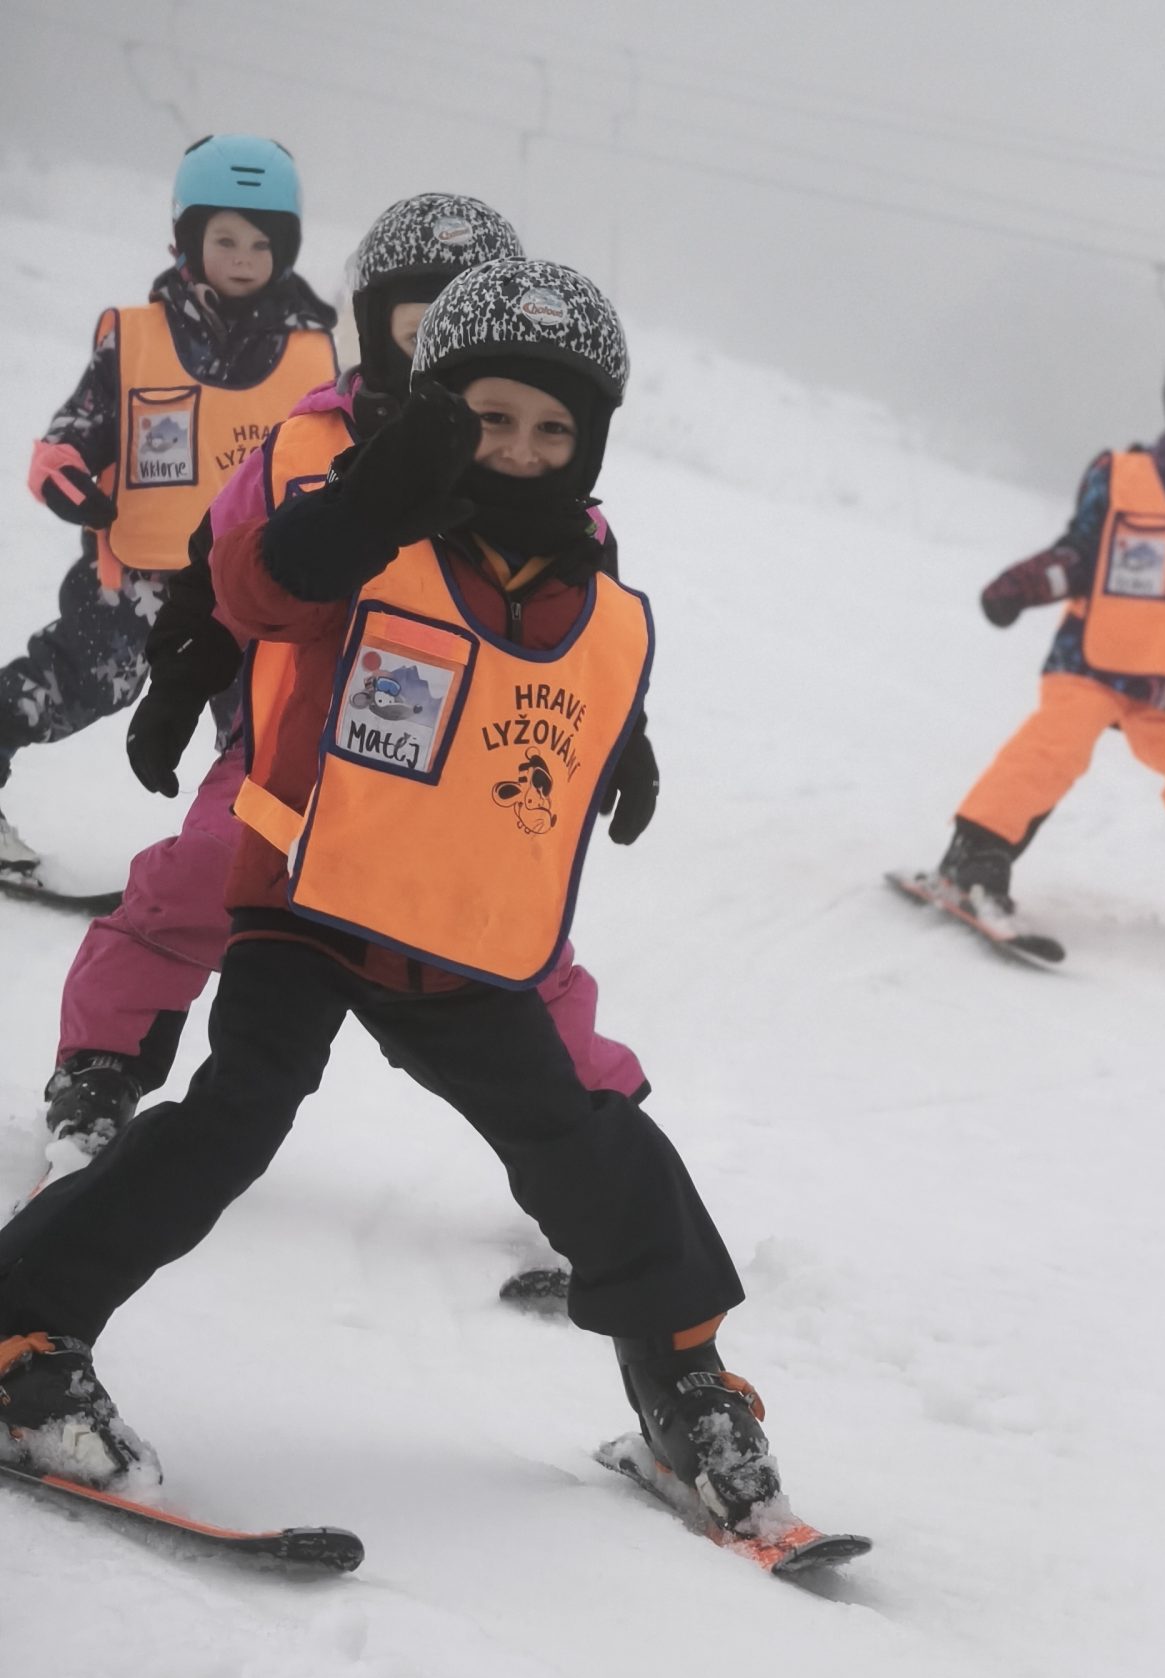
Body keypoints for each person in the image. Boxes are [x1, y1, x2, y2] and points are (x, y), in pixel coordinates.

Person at [0, 258, 782, 1543]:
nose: (519, 451)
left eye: (553, 430)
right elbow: (254, 588)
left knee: (588, 1146)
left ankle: (685, 1386)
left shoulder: (598, 589)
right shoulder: (364, 529)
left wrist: (628, 748)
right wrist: (373, 499)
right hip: (310, 900)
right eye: (490, 418)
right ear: (435, 409)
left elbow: (579, 682)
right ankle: (23, 1331)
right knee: (230, 1122)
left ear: (590, 444)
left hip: (462, 935)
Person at [39, 192, 646, 1169]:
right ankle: (103, 1062)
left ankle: (598, 1137)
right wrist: (187, 672)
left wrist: (625, 739)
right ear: (377, 322)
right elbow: (224, 560)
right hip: (293, 750)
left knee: (511, 945)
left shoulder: (552, 501)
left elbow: (590, 635)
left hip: (468, 782)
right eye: (419, 323)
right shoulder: (307, 445)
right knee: (198, 877)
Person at [914, 328, 1165, 985]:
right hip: (1093, 661)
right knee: (1053, 746)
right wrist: (1027, 583)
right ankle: (972, 861)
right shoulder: (1124, 475)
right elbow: (1080, 552)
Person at [2, 135, 337, 881]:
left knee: (261, 731)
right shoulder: (136, 340)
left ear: (285, 251)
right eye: (225, 239)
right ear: (187, 240)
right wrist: (63, 474)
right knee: (80, 682)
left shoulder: (315, 356)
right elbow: (73, 433)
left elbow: (339, 456)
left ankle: (235, 866)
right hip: (135, 580)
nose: (243, 258)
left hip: (251, 588)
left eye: (261, 243)